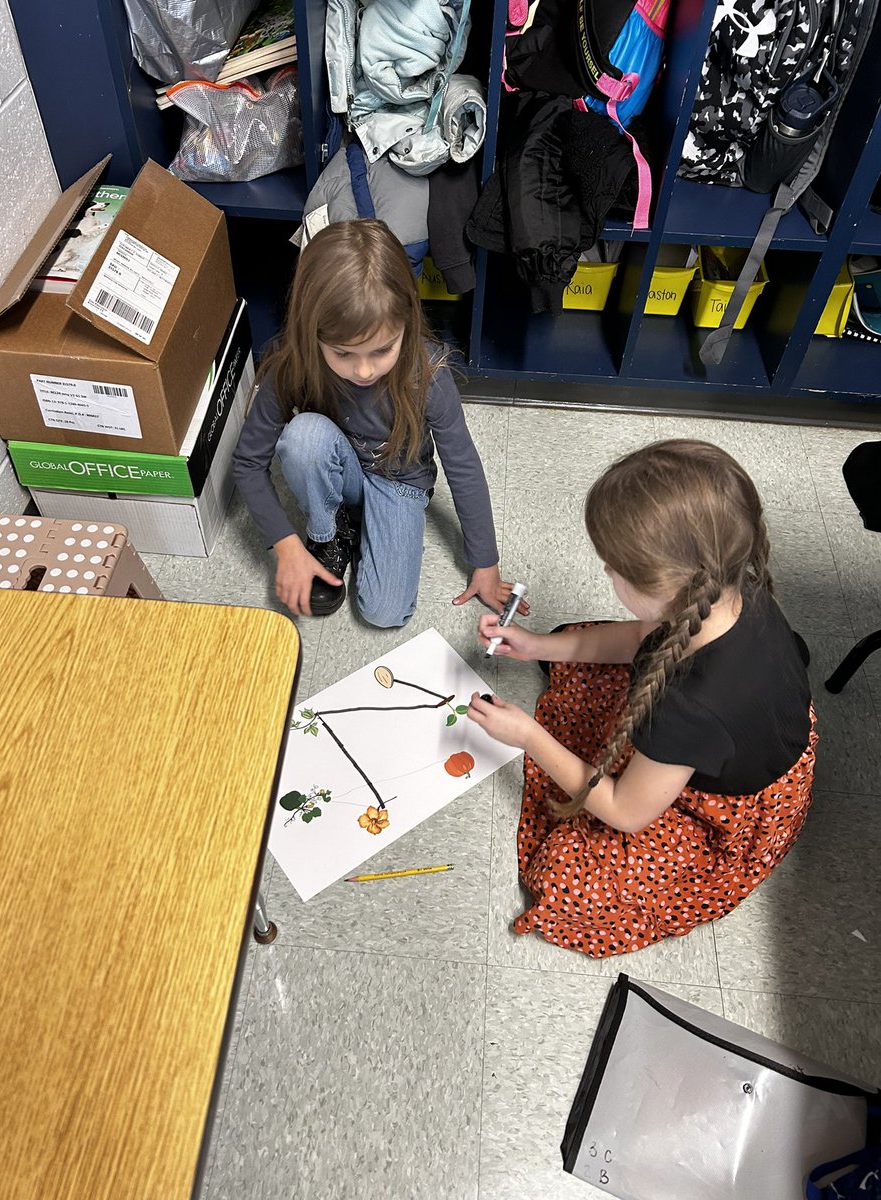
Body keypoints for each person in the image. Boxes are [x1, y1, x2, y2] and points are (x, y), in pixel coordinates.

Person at [467, 439, 816, 958]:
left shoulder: (685, 707)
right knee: (577, 646)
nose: (605, 573)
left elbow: (626, 813)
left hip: (730, 808)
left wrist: (528, 737)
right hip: (763, 733)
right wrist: (537, 645)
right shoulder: (735, 583)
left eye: (613, 567)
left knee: (565, 877)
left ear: (666, 586)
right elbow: (639, 640)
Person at [232, 219, 521, 627]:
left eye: (382, 350)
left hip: (399, 482)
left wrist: (485, 562)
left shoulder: (429, 373)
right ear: (311, 333)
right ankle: (329, 533)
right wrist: (287, 545)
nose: (364, 370)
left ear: (408, 323)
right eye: (343, 354)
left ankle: (359, 525)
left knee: (384, 612)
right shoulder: (293, 363)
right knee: (304, 438)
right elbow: (247, 462)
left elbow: (464, 467)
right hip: (341, 465)